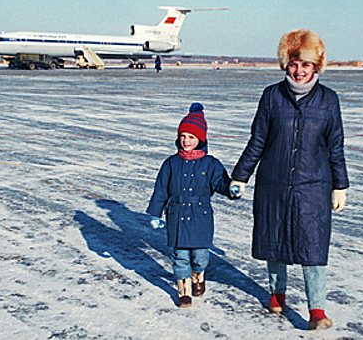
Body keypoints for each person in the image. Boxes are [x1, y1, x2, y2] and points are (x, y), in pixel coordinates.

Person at [229, 29, 349, 330]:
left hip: (314, 186)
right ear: (286, 64)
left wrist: (340, 185)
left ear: (316, 66)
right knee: (275, 240)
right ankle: (277, 293)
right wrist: (241, 176)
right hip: (274, 182)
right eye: (294, 63)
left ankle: (317, 310)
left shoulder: (328, 100)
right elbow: (257, 141)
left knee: (314, 246)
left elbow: (335, 146)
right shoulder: (272, 96)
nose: (299, 70)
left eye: (306, 64)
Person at [147, 103, 237, 308]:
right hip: (177, 214)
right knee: (180, 257)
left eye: (191, 137)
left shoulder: (210, 163)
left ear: (201, 139)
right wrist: (155, 214)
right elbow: (161, 189)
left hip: (200, 216)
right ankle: (184, 292)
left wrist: (232, 189)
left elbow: (221, 183)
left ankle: (199, 276)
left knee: (200, 256)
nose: (186, 141)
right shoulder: (171, 163)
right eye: (183, 136)